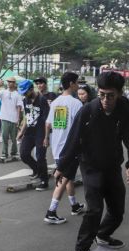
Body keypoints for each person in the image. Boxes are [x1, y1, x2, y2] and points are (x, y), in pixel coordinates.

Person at [55, 72, 129, 251]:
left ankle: (102, 234)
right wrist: (62, 167)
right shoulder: (89, 110)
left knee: (117, 210)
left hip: (112, 165)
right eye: (101, 94)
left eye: (110, 95)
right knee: (94, 209)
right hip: (91, 165)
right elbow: (73, 140)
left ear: (119, 93)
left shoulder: (125, 109)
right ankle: (81, 250)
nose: (105, 100)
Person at [43, 72, 85, 224]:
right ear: (72, 83)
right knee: (63, 178)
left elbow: (48, 124)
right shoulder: (76, 104)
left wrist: (46, 138)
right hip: (70, 149)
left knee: (69, 177)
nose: (78, 85)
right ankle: (51, 212)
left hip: (57, 146)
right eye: (77, 82)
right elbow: (79, 129)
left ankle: (74, 205)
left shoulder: (55, 102)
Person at [17, 80, 50, 190]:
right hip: (30, 131)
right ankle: (37, 169)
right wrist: (22, 132)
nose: (24, 94)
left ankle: (44, 181)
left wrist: (46, 137)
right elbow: (27, 117)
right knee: (24, 154)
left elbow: (47, 120)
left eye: (26, 92)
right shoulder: (25, 100)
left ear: (32, 89)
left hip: (41, 131)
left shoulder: (42, 100)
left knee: (40, 157)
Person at [0, 76, 23, 160]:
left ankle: (14, 153)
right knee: (4, 136)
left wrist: (18, 119)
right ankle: (4, 153)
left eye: (11, 82)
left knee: (14, 138)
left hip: (13, 118)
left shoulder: (17, 94)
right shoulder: (3, 92)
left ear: (14, 84)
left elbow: (18, 107)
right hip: (4, 117)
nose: (9, 83)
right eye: (8, 81)